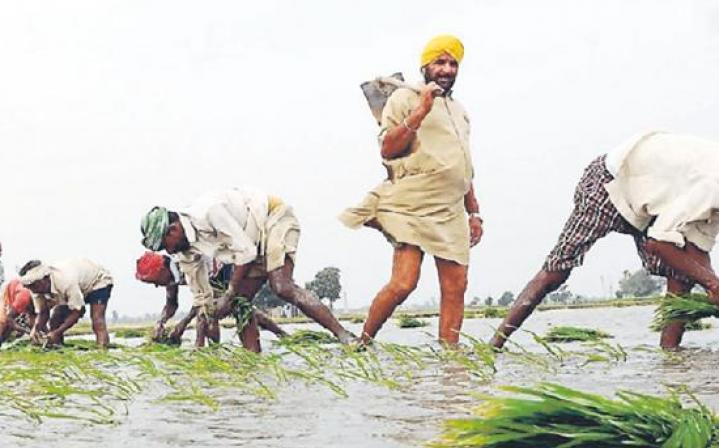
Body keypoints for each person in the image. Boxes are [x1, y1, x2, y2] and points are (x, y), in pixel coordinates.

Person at [490, 131, 719, 350]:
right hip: (612, 185)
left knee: (683, 275)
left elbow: (697, 251)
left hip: (655, 201)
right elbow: (658, 243)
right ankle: (495, 346)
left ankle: (670, 359)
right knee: (557, 271)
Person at [340, 34, 483, 345]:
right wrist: (421, 110)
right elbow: (388, 150)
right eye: (439, 62)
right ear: (425, 67)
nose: (446, 69)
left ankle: (451, 360)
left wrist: (475, 212)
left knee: (456, 285)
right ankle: (362, 343)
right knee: (404, 283)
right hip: (413, 202)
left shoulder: (460, 111)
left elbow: (463, 164)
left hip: (451, 206)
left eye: (452, 63)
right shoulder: (403, 99)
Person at [140, 188, 354, 352]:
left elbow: (246, 252)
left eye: (164, 245)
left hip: (272, 217)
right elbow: (202, 298)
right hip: (248, 245)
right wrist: (207, 317)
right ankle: (253, 357)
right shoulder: (184, 253)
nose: (167, 251)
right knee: (240, 304)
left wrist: (229, 293)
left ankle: (345, 336)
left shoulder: (209, 213)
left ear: (174, 229)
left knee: (281, 285)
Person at [135, 251, 287, 346]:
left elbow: (202, 299)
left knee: (229, 308)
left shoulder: (185, 264)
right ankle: (282, 335)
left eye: (154, 281)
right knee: (229, 309)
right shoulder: (170, 275)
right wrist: (160, 322)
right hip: (207, 279)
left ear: (161, 271)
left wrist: (182, 324)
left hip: (220, 269)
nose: (156, 286)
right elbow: (171, 304)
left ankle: (211, 349)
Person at [19, 258, 113, 348]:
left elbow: (78, 311)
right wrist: (36, 329)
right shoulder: (35, 289)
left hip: (97, 281)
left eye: (34, 286)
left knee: (97, 320)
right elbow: (43, 312)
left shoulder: (65, 281)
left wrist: (57, 332)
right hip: (77, 287)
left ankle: (102, 349)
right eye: (29, 287)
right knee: (55, 320)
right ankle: (57, 348)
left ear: (45, 278)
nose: (33, 290)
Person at [0, 279, 35, 346]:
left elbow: (34, 320)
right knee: (3, 321)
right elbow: (9, 319)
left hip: (20, 292)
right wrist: (27, 332)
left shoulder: (39, 301)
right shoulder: (23, 298)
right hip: (8, 289)